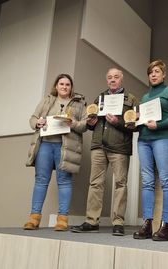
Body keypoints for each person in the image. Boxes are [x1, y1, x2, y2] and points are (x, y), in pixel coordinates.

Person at [70, 68, 138, 236]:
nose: (112, 80)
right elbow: (91, 124)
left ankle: (118, 222)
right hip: (98, 145)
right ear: (107, 80)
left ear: (121, 80)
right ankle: (91, 221)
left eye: (116, 77)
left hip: (119, 147)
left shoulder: (131, 99)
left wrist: (117, 122)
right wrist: (92, 122)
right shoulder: (99, 98)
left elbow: (135, 125)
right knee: (95, 183)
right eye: (109, 77)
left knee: (120, 184)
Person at [23, 74, 87, 231]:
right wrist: (37, 122)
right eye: (61, 84)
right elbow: (33, 118)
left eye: (67, 84)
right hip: (45, 144)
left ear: (71, 87)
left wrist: (74, 124)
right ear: (56, 86)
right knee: (41, 180)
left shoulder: (79, 104)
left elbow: (85, 125)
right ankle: (34, 218)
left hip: (65, 147)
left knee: (64, 181)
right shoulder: (47, 100)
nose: (64, 87)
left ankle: (62, 219)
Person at [132, 60, 168, 241]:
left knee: (166, 181)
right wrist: (134, 123)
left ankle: (165, 226)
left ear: (163, 74)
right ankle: (147, 224)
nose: (153, 74)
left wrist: (158, 125)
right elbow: (142, 122)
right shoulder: (144, 98)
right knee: (147, 183)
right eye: (151, 72)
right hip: (143, 140)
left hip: (163, 139)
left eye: (157, 71)